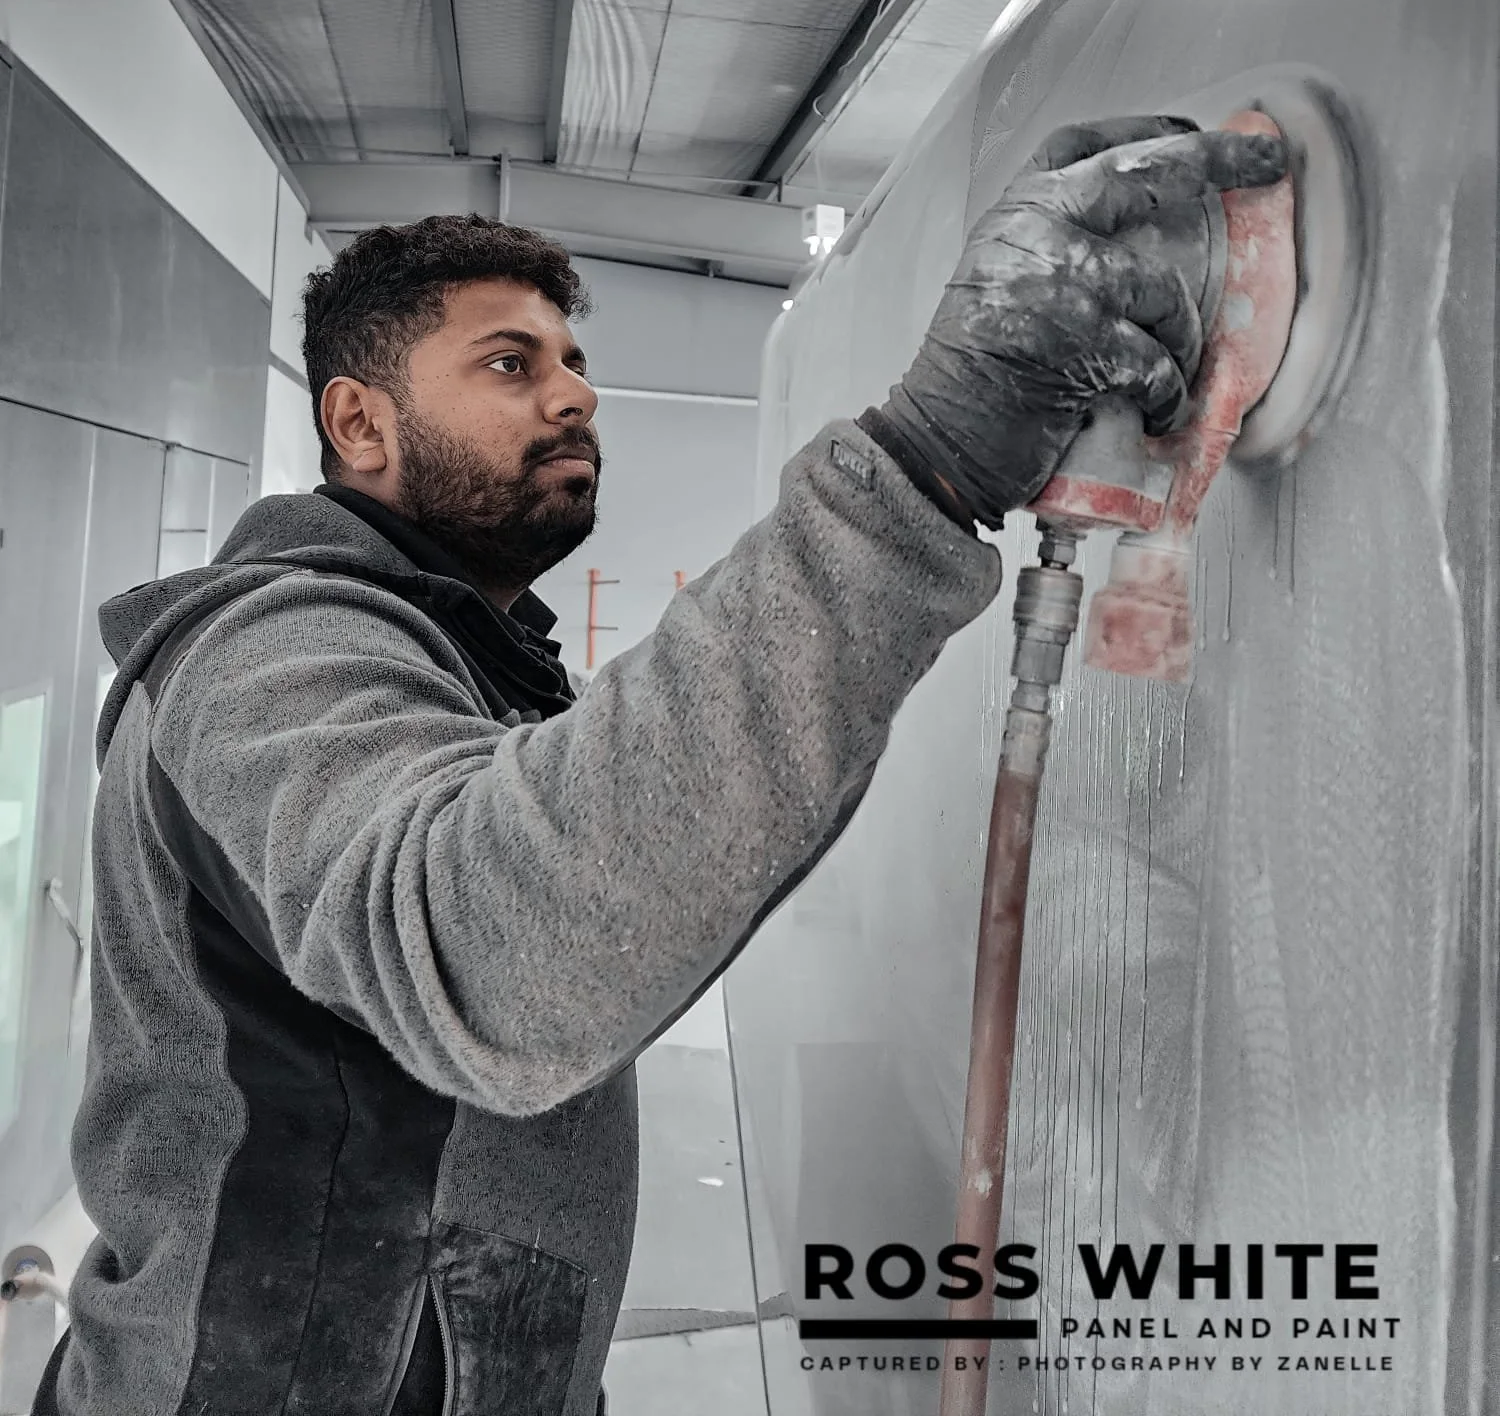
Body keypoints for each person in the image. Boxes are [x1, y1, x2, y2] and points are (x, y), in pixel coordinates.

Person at [38, 115, 1286, 1416]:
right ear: (360, 420)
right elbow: (501, 965)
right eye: (511, 363)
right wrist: (919, 475)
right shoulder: (259, 654)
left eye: (574, 362)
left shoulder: (465, 658)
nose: (574, 395)